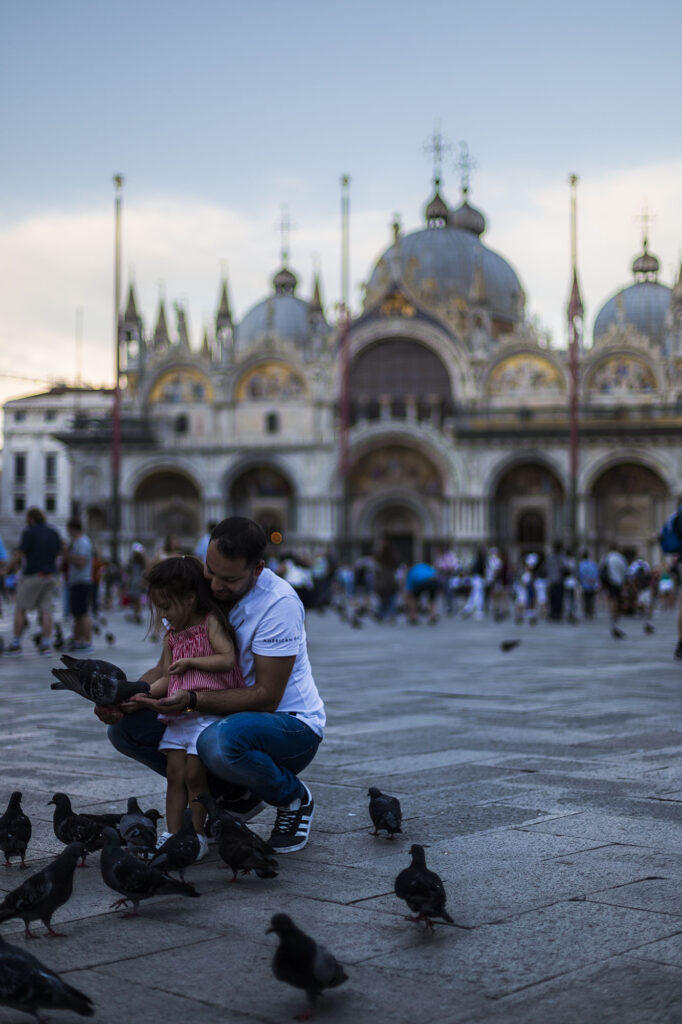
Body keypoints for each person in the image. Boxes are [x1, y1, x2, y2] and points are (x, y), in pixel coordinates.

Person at [97, 517, 325, 854]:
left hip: (288, 724)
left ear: (258, 569)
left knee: (217, 742)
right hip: (218, 713)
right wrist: (127, 696)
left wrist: (191, 700)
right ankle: (228, 794)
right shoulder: (197, 590)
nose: (215, 586)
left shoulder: (279, 604)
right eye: (211, 571)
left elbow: (266, 697)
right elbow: (164, 667)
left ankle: (293, 797)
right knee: (125, 730)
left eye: (229, 579)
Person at [130, 556, 247, 858]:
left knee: (195, 774)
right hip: (181, 716)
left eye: (167, 606)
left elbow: (226, 658)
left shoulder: (210, 622)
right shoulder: (172, 636)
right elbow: (166, 677)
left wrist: (192, 661)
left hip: (208, 712)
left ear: (190, 598)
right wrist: (141, 696)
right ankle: (171, 834)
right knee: (174, 773)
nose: (164, 615)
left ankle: (196, 836)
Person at [2, 507, 62, 655]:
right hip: (51, 576)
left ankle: (16, 643)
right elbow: (60, 552)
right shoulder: (54, 532)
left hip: (33, 575)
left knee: (20, 608)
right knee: (46, 609)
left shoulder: (29, 533)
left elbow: (19, 554)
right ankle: (46, 643)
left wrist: (6, 570)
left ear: (31, 519)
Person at [64, 519, 94, 653]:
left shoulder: (83, 542)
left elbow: (81, 561)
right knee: (77, 613)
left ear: (72, 529)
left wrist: (68, 556)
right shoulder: (78, 542)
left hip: (82, 581)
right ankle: (78, 640)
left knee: (83, 613)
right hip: (78, 581)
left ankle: (87, 641)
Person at [600, 543, 628, 638]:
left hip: (609, 580)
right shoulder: (620, 558)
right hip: (618, 580)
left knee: (611, 597)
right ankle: (615, 612)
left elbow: (602, 568)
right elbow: (625, 570)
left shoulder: (606, 557)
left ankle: (611, 611)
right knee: (616, 598)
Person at [578, 549, 599, 620]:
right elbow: (596, 574)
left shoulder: (581, 564)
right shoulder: (593, 564)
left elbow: (580, 575)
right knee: (591, 598)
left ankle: (586, 612)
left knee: (585, 599)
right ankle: (591, 611)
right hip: (592, 584)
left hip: (585, 584)